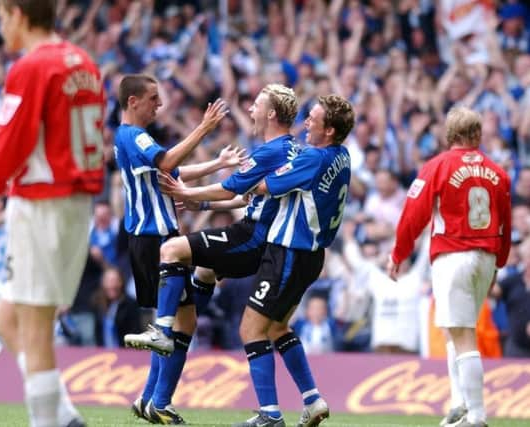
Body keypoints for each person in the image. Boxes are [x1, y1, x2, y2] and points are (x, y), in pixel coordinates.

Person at [0, 1, 107, 426]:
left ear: (19, 14)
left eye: (4, 15)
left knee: (34, 330)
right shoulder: (82, 62)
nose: (0, 24)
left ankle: (46, 422)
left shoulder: (32, 67)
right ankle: (65, 417)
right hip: (73, 203)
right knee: (7, 318)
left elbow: (4, 154)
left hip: (43, 204)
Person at [124, 83, 301, 424]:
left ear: (271, 114)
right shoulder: (290, 150)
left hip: (250, 237)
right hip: (263, 238)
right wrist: (200, 200)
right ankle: (154, 399)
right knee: (200, 281)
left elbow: (232, 186)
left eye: (256, 105)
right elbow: (250, 195)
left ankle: (161, 334)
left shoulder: (272, 151)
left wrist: (188, 192)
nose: (250, 110)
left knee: (172, 249)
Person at [113, 73, 234, 424]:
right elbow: (167, 163)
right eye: (153, 98)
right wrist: (204, 128)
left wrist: (217, 164)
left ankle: (150, 398)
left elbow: (173, 174)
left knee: (182, 322)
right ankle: (158, 401)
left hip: (152, 239)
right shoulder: (133, 136)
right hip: (157, 240)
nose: (159, 105)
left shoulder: (134, 139)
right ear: (132, 101)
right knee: (182, 324)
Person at [233, 94, 354, 427]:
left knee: (250, 329)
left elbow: (263, 186)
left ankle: (270, 413)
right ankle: (312, 399)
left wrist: (243, 179)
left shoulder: (312, 159)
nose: (305, 123)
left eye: (313, 119)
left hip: (287, 251)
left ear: (329, 130)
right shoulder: (342, 155)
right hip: (311, 257)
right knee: (276, 327)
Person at [388, 107, 512, 427]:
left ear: (449, 134)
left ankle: (477, 414)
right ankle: (459, 404)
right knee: (453, 330)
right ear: (477, 134)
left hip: (453, 255)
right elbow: (506, 224)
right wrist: (499, 261)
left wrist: (399, 253)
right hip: (485, 257)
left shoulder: (438, 165)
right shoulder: (498, 172)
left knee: (463, 334)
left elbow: (413, 214)